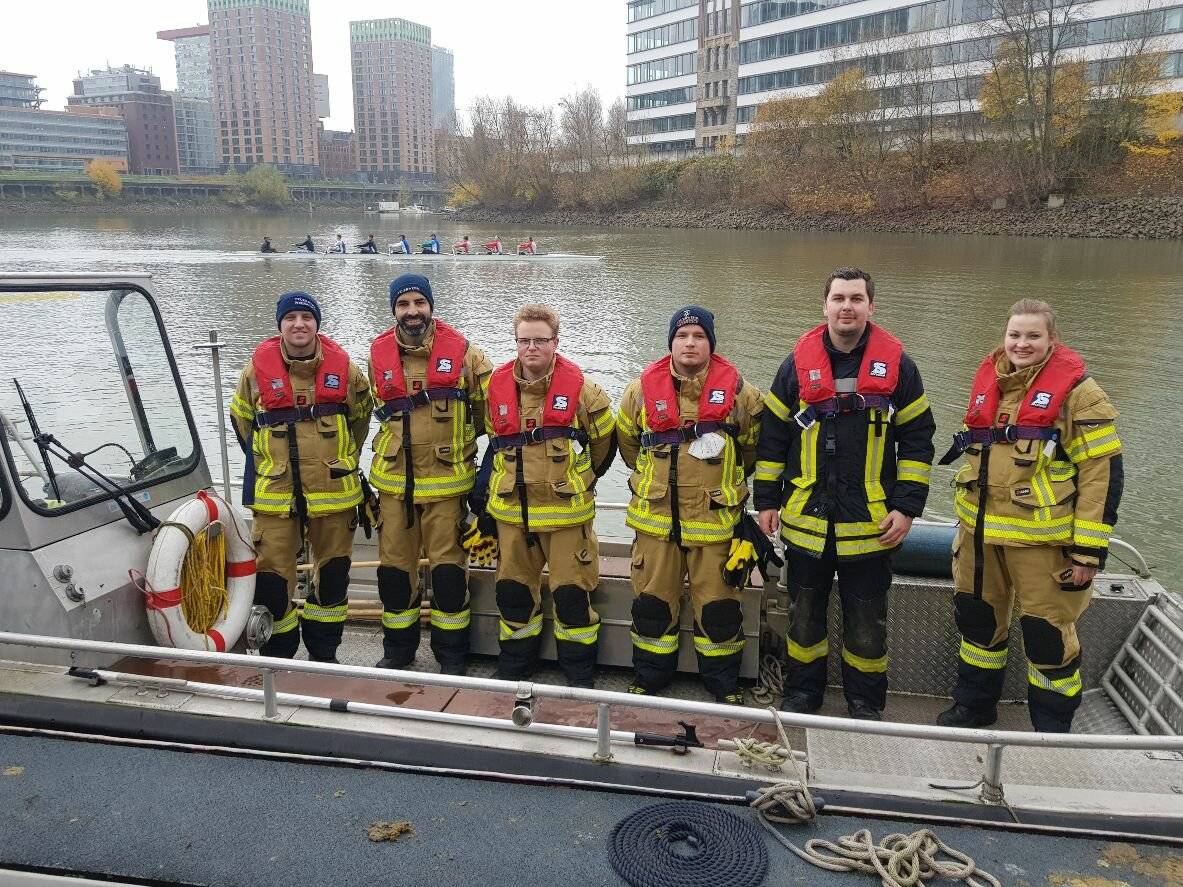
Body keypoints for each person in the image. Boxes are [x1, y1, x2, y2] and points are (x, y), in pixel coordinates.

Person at [755, 267, 935, 720]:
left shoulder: (900, 368)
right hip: (807, 520)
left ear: (871, 307)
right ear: (825, 306)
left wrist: (906, 507)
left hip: (871, 523)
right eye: (838, 298)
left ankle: (865, 703)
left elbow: (918, 441)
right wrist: (767, 501)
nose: (847, 307)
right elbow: (773, 437)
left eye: (856, 299)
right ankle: (802, 695)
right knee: (803, 618)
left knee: (867, 625)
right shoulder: (794, 367)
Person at [936, 299, 1123, 733]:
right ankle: (974, 708)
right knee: (978, 623)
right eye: (1015, 335)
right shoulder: (992, 382)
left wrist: (1087, 552)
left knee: (1047, 636)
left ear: (1052, 339)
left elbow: (1103, 476)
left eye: (1033, 336)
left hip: (1043, 543)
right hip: (979, 535)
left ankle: (1051, 729)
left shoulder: (1081, 395)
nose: (1022, 344)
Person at [616, 306, 765, 704]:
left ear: (711, 343)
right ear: (671, 342)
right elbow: (628, 444)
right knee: (651, 607)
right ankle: (650, 679)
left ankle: (723, 685)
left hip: (716, 526)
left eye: (699, 336)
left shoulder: (742, 395)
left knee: (720, 613)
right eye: (682, 336)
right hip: (655, 523)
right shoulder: (638, 392)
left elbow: (752, 450)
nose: (690, 343)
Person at [229, 292, 373, 662]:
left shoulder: (346, 371)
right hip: (275, 497)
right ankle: (279, 655)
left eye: (306, 317)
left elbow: (360, 419)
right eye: (290, 317)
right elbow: (242, 422)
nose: (299, 324)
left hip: (334, 495)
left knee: (334, 576)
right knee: (271, 581)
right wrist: (270, 461)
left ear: (316, 324)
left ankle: (324, 654)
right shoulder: (253, 373)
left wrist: (336, 460)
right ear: (280, 324)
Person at [482, 305, 616, 686]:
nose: (531, 347)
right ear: (516, 342)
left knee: (572, 598)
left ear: (555, 342)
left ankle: (578, 675)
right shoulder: (495, 389)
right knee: (513, 595)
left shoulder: (586, 393)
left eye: (540, 340)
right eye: (524, 340)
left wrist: (581, 480)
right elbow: (494, 440)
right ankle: (515, 668)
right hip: (512, 515)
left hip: (566, 517)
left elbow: (606, 446)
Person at [368, 274, 493, 675]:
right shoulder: (376, 355)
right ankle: (398, 651)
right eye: (403, 304)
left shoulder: (468, 355)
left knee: (449, 574)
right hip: (394, 487)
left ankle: (452, 656)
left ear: (431, 306)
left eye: (419, 302)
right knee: (394, 573)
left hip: (447, 488)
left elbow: (488, 415)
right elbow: (362, 414)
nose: (412, 312)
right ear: (394, 310)